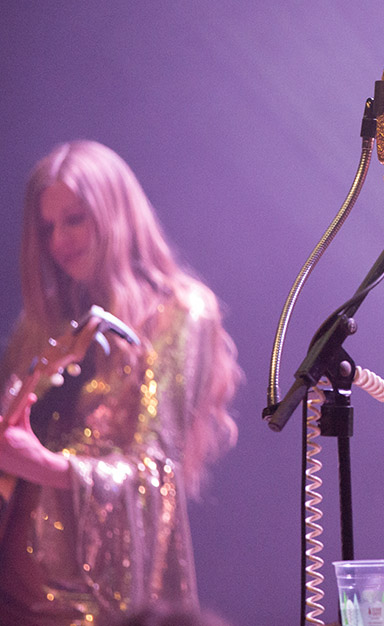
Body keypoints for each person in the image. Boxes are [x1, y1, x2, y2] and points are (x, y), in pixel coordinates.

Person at [0, 140, 242, 625]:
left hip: (95, 596)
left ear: (115, 214)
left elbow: (156, 473)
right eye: (46, 228)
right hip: (13, 583)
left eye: (75, 219)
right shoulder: (41, 324)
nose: (59, 241)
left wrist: (48, 466)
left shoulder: (179, 312)